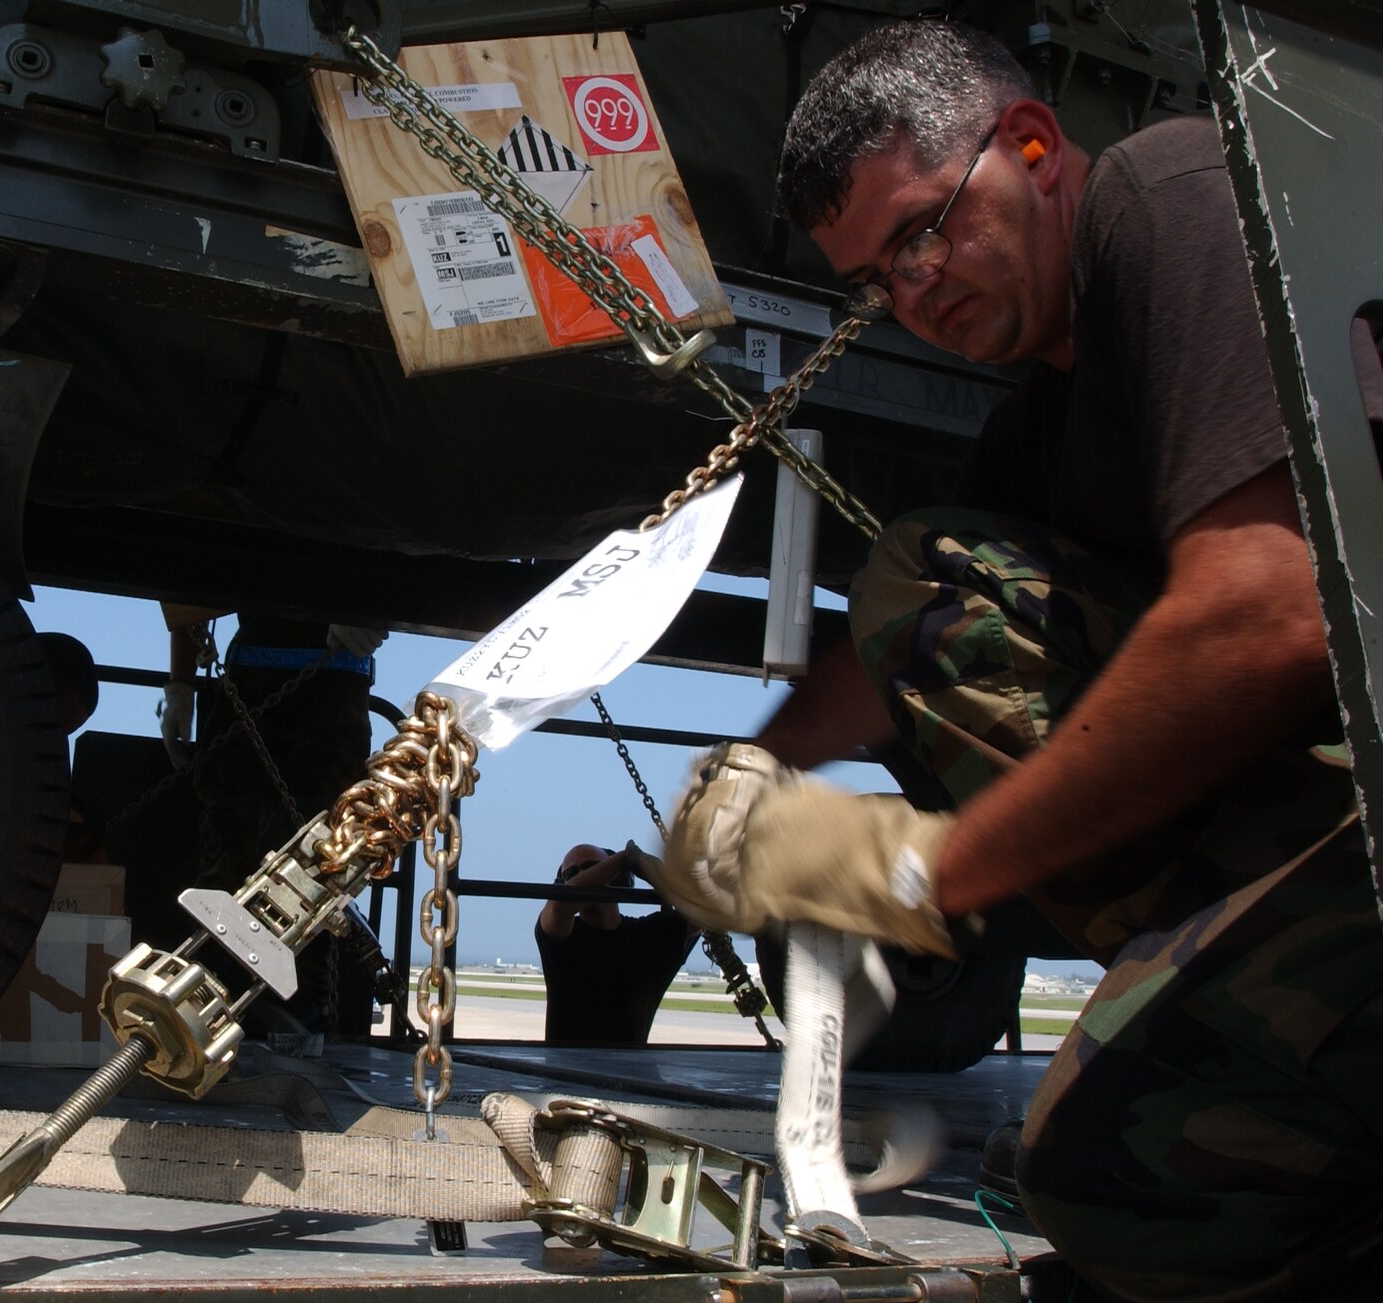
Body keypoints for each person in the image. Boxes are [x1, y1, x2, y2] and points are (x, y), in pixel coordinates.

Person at [651, 20, 1383, 1301]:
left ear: (1032, 146)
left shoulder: (1176, 194)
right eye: (877, 280)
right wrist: (752, 767)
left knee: (1122, 1177)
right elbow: (890, 653)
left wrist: (918, 868)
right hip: (1323, 803)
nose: (913, 293)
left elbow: (1270, 610)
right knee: (931, 590)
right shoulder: (1045, 426)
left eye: (921, 233)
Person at [159, 605, 387, 1046]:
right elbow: (189, 587)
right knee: (235, 866)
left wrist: (378, 606)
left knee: (320, 871)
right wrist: (180, 683)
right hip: (268, 680)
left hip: (329, 681)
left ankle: (292, 1027)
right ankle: (206, 1014)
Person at [535, 842, 696, 1046]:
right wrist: (623, 860)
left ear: (619, 878)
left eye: (593, 867)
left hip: (632, 1069)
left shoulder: (648, 936)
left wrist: (657, 874)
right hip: (568, 1070)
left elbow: (703, 910)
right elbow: (558, 909)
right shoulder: (561, 934)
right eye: (572, 873)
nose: (583, 874)